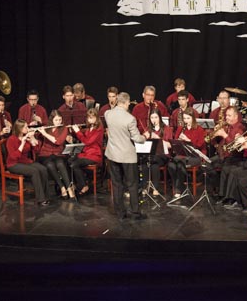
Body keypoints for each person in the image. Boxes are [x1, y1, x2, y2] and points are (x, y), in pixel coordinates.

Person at [104, 92, 147, 220]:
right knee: (132, 184)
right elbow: (137, 138)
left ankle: (120, 212)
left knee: (117, 184)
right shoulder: (130, 119)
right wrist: (144, 137)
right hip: (127, 156)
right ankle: (135, 212)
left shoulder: (107, 114)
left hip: (112, 154)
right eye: (128, 103)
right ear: (127, 102)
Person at [217, 113, 247, 206]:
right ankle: (224, 195)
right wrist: (240, 143)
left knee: (233, 171)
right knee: (226, 169)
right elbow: (245, 152)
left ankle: (232, 198)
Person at [5, 120, 51, 206]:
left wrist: (32, 139)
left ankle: (46, 196)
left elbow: (37, 151)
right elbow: (14, 157)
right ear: (20, 129)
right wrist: (22, 143)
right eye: (26, 127)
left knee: (43, 169)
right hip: (14, 164)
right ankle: (40, 199)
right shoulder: (11, 139)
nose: (28, 128)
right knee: (34, 171)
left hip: (25, 161)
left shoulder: (26, 137)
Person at [207, 107, 246, 197]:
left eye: (229, 115)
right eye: (226, 115)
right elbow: (219, 143)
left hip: (234, 157)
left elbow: (234, 145)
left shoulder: (240, 128)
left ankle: (222, 193)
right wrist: (216, 135)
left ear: (236, 116)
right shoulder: (228, 126)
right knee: (206, 164)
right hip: (223, 155)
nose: (226, 118)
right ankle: (218, 188)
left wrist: (224, 135)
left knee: (223, 168)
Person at [36, 110, 75, 199]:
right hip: (45, 153)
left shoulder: (64, 128)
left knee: (60, 163)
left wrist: (45, 134)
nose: (58, 122)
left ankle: (69, 188)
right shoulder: (47, 127)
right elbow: (39, 139)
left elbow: (58, 141)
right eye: (56, 120)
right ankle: (62, 187)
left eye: (60, 120)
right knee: (50, 165)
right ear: (52, 120)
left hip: (58, 153)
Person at [167, 109, 206, 198]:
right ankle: (180, 186)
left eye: (188, 118)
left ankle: (178, 188)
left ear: (193, 118)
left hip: (195, 156)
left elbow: (200, 145)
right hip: (183, 156)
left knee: (178, 161)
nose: (186, 121)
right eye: (184, 118)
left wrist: (188, 140)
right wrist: (179, 141)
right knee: (171, 165)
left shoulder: (199, 129)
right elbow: (175, 142)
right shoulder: (181, 128)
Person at [70, 108, 104, 195]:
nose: (90, 119)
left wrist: (78, 132)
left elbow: (87, 141)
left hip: (94, 155)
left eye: (92, 117)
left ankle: (83, 185)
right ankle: (76, 183)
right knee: (69, 161)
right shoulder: (90, 127)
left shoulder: (99, 129)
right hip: (86, 153)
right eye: (89, 117)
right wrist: (74, 131)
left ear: (96, 118)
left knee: (74, 164)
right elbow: (84, 136)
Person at [142, 109, 173, 196]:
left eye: (156, 117)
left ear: (160, 118)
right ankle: (145, 187)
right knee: (145, 162)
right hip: (151, 154)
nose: (154, 120)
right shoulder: (148, 129)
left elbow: (170, 145)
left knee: (154, 161)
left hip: (163, 155)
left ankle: (155, 188)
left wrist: (158, 139)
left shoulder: (167, 129)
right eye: (152, 118)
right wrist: (144, 137)